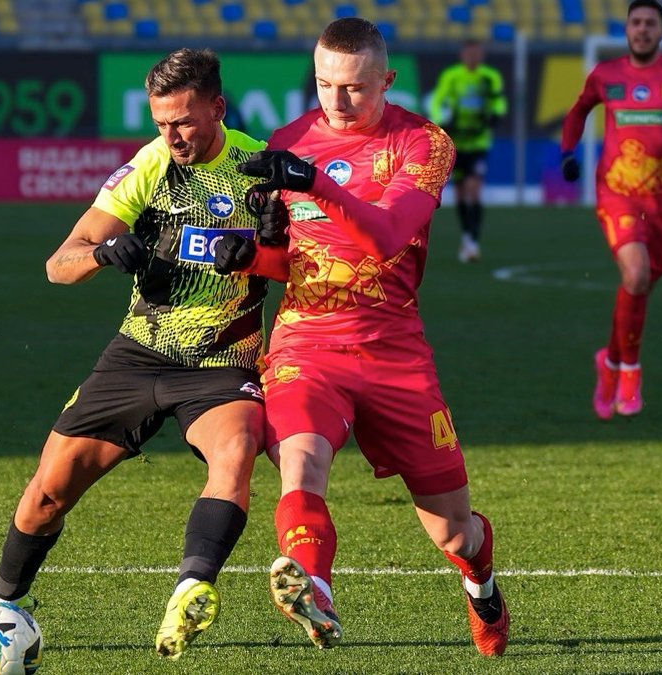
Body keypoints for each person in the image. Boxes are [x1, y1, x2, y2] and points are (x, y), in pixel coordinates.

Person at [0, 47, 271, 661]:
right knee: (45, 495)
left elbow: (309, 261)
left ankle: (191, 589)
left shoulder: (260, 167)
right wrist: (102, 254)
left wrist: (262, 254)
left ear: (218, 109)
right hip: (137, 356)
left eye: (183, 121)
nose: (171, 136)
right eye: (161, 123)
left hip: (222, 361)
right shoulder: (149, 166)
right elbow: (57, 265)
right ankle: (0, 608)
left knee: (235, 452)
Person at [215, 17, 509, 657]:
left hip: (394, 351)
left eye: (353, 87)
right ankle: (313, 587)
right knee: (301, 465)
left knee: (454, 532)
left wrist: (313, 182)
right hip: (306, 345)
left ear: (387, 80)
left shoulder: (423, 143)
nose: (337, 100)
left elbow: (388, 237)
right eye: (324, 84)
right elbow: (287, 258)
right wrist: (252, 254)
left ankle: (481, 583)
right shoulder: (290, 140)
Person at [559, 0, 662, 420]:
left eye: (651, 23)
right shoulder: (606, 75)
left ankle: (609, 359)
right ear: (627, 29)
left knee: (641, 286)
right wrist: (567, 152)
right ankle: (629, 373)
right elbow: (577, 113)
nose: (643, 29)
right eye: (636, 22)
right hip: (616, 193)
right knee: (635, 275)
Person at [428, 39, 507, 263]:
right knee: (461, 193)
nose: (473, 57)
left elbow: (498, 101)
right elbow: (437, 101)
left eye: (477, 53)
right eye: (470, 53)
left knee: (474, 189)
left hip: (478, 142)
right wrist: (442, 120)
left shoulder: (490, 77)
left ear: (481, 55)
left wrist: (495, 116)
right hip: (457, 143)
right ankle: (467, 236)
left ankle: (473, 240)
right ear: (463, 55)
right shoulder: (452, 76)